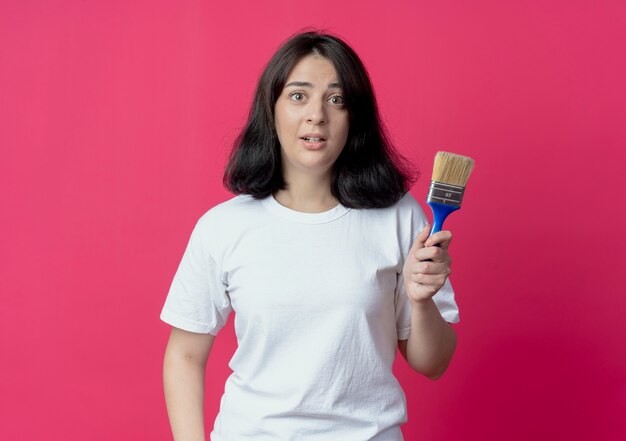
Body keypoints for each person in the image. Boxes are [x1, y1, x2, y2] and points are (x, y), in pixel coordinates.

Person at [160, 31, 459, 441]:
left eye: (336, 100)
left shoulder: (400, 217)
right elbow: (185, 355)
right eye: (298, 96)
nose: (317, 114)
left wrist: (422, 303)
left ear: (356, 118)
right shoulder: (223, 226)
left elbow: (433, 363)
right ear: (272, 108)